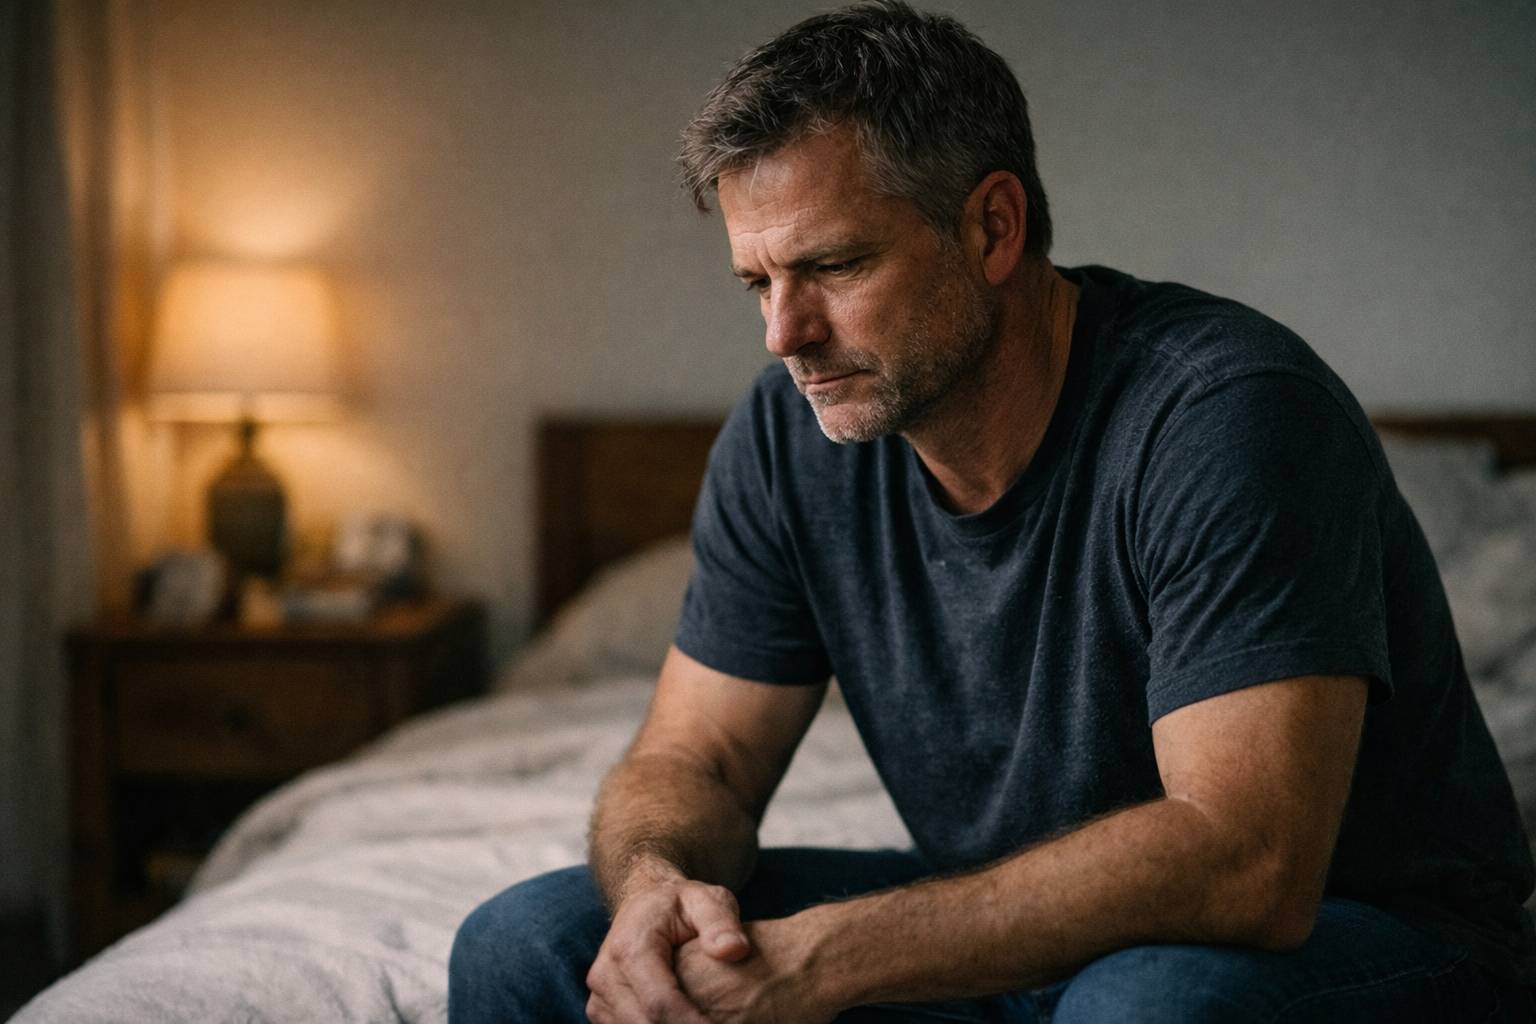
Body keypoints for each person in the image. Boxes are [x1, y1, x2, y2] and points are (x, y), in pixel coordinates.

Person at [449, 2, 1536, 1020]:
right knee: (528, 941)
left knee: (1142, 1007)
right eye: (758, 283)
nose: (785, 335)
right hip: (1026, 929)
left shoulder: (1228, 414)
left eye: (833, 265)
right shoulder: (790, 442)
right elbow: (704, 761)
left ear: (993, 227)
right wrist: (655, 884)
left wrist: (829, 958)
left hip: (1355, 935)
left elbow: (1245, 861)